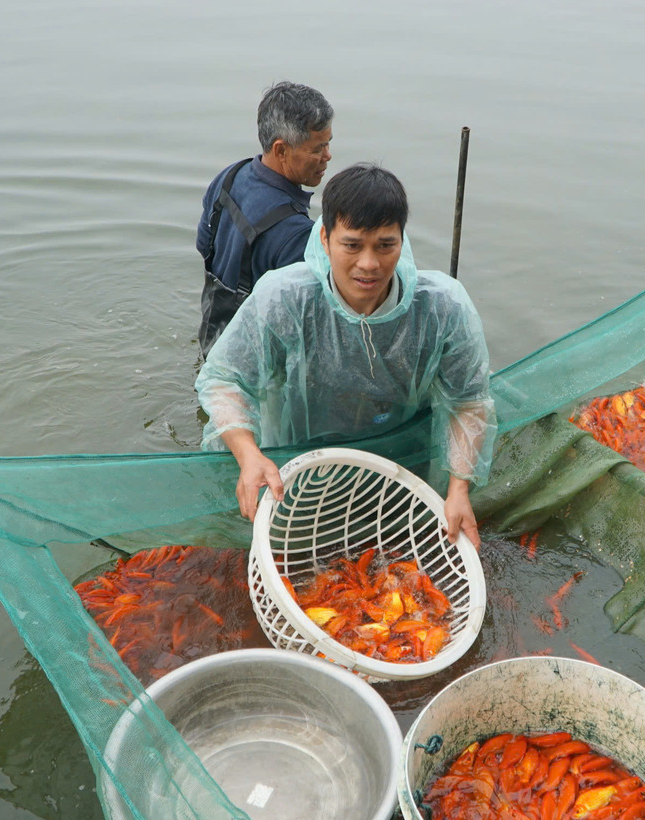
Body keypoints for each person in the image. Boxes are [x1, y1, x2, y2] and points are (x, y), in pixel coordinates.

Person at [195, 163, 497, 548]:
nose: (369, 264)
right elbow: (224, 379)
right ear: (324, 238)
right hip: (297, 467)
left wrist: (458, 490)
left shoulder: (443, 307)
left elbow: (468, 401)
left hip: (402, 468)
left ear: (402, 241)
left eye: (385, 245)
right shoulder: (285, 298)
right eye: (352, 245)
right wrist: (249, 454)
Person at [196, 81, 334, 358]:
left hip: (212, 339)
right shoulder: (296, 233)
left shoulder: (229, 176)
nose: (328, 156)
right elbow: (306, 322)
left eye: (329, 144)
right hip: (254, 363)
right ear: (281, 150)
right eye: (318, 148)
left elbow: (203, 246)